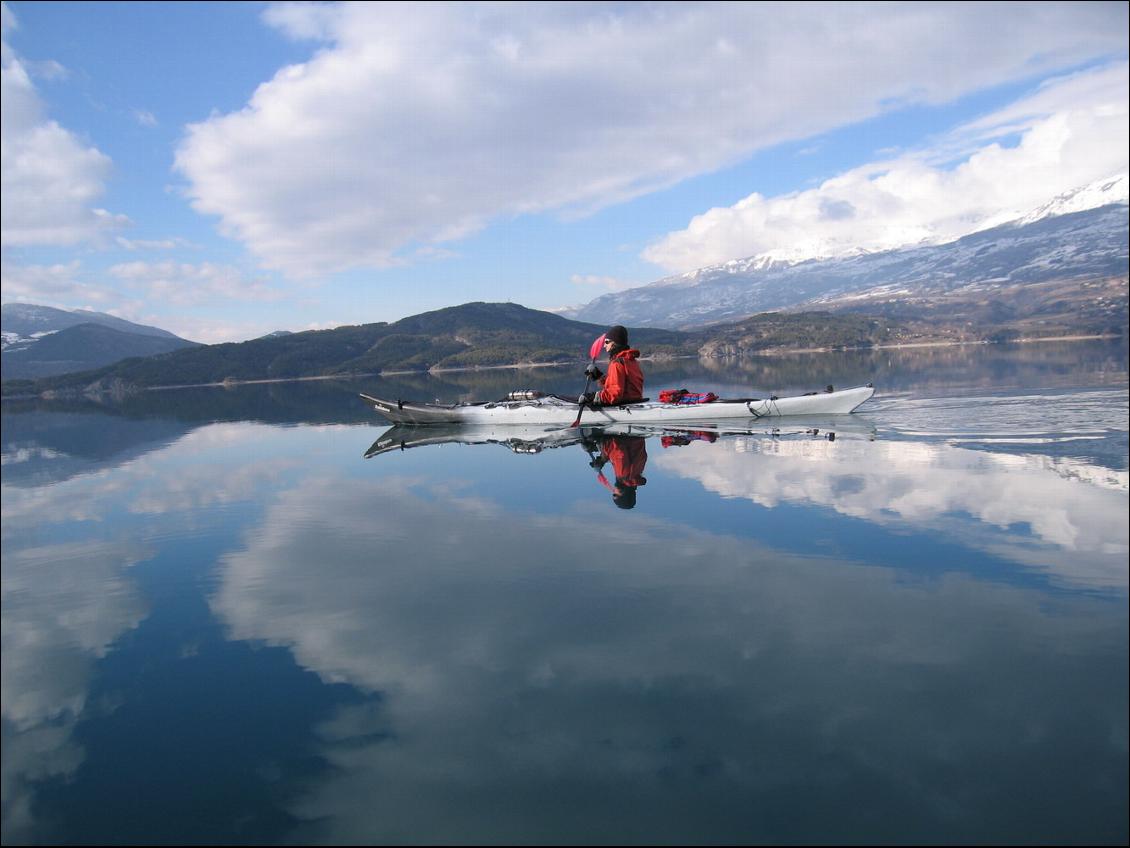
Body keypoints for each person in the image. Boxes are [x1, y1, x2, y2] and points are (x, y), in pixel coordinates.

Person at [581, 324, 644, 407]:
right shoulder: (630, 360)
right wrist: (598, 376)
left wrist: (593, 396)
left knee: (584, 398)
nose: (604, 345)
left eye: (607, 342)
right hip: (634, 401)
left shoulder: (617, 363)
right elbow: (619, 385)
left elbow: (615, 394)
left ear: (615, 343)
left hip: (625, 403)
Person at [587, 434, 648, 509]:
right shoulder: (624, 475)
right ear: (623, 494)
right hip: (625, 435)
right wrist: (599, 443)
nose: (613, 491)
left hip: (635, 437)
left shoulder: (636, 473)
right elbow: (617, 448)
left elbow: (619, 456)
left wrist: (602, 460)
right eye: (615, 494)